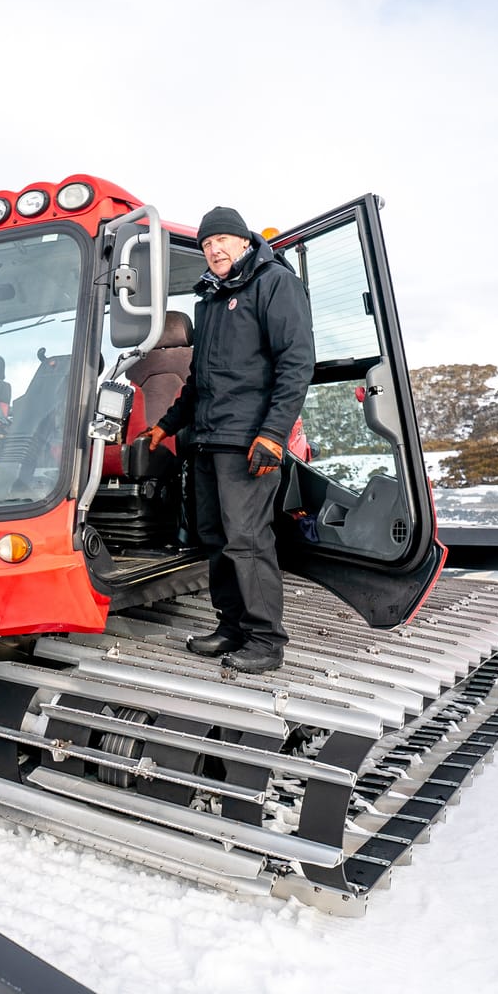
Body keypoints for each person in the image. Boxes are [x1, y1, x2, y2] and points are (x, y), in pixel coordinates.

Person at [143, 205, 315, 673]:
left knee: (247, 539)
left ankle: (266, 640)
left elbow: (296, 363)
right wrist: (168, 424)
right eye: (206, 243)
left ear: (243, 241)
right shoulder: (210, 300)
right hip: (207, 438)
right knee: (216, 538)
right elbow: (199, 381)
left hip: (249, 440)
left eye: (221, 240)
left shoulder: (274, 283)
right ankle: (232, 627)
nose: (214, 249)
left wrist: (273, 433)